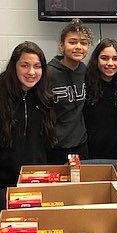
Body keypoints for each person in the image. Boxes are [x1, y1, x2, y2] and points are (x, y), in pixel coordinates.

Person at [0, 41, 56, 233]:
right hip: (1, 186)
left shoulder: (44, 97)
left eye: (37, 66)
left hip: (35, 184)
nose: (31, 72)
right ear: (14, 66)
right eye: (24, 65)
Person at [46, 19, 93, 164]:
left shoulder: (86, 72)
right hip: (55, 147)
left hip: (80, 145)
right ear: (61, 46)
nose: (78, 47)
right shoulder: (48, 73)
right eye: (72, 42)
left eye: (84, 43)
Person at [84, 38, 117, 160]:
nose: (110, 63)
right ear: (96, 59)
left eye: (115, 59)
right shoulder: (84, 83)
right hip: (88, 153)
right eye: (104, 58)